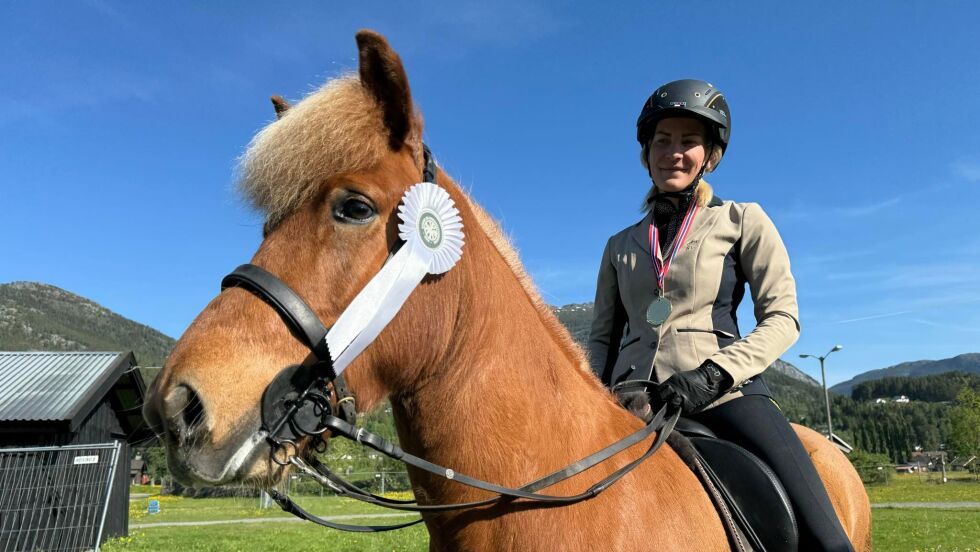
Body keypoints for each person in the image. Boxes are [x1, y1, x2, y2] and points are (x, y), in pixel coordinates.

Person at [587, 79, 854, 551]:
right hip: (628, 401)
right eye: (662, 141)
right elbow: (602, 339)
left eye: (689, 141)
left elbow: (783, 318)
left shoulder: (743, 219)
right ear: (646, 153)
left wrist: (714, 375)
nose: (673, 152)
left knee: (826, 539)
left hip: (723, 395)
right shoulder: (618, 246)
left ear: (709, 154)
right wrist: (592, 395)